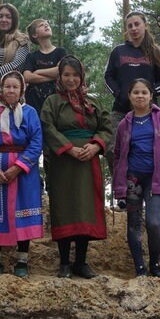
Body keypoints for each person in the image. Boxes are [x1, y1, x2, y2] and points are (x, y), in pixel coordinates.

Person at [39, 55, 110, 278]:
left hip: (88, 163)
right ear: (60, 77)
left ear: (81, 76)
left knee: (84, 208)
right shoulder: (52, 102)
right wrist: (69, 148)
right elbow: (48, 128)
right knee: (65, 208)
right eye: (66, 75)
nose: (71, 79)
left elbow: (107, 128)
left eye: (75, 75)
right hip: (63, 163)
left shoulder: (93, 102)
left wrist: (96, 146)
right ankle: (64, 264)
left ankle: (81, 262)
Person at [110, 77, 160, 278]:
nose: (140, 96)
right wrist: (120, 179)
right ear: (130, 96)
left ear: (151, 95)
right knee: (133, 222)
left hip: (156, 178)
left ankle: (155, 265)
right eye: (136, 92)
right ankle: (139, 267)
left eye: (144, 92)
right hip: (133, 179)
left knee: (153, 222)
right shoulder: (125, 124)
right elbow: (117, 154)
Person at [0, 69, 45, 276]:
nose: (11, 90)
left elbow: (36, 143)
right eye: (7, 86)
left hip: (24, 174)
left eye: (15, 86)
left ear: (22, 89)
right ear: (1, 89)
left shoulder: (30, 113)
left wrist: (19, 167)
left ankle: (22, 261)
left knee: (23, 212)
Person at [104, 10, 160, 115]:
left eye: (137, 24)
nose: (133, 28)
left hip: (150, 111)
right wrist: (119, 93)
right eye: (130, 26)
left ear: (145, 25)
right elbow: (108, 77)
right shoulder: (118, 51)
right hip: (121, 111)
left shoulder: (155, 52)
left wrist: (150, 93)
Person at [19, 18, 66, 112]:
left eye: (47, 24)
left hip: (56, 101)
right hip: (35, 102)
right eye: (41, 25)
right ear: (34, 35)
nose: (46, 25)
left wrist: (38, 72)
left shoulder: (60, 52)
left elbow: (62, 71)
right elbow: (27, 77)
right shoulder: (32, 56)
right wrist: (54, 76)